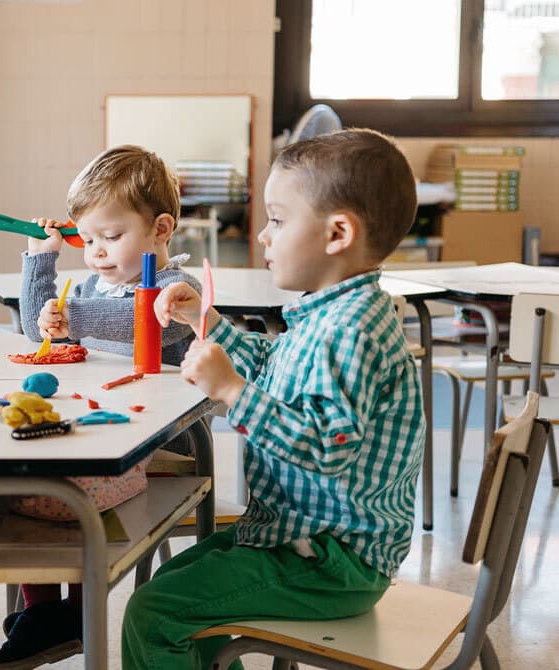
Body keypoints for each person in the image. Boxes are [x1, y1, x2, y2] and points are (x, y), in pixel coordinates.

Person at [128, 128, 425, 669]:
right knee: (173, 582)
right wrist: (207, 322)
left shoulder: (349, 331)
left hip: (330, 560)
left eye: (279, 220)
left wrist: (231, 392)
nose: (263, 236)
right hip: (304, 538)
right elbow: (273, 365)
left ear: (337, 233)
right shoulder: (333, 311)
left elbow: (326, 447)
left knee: (156, 612)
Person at [0, 145, 201, 669]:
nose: (98, 252)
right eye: (89, 238)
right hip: (94, 422)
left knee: (55, 496)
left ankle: (75, 614)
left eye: (112, 236)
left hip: (151, 439)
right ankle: (45, 615)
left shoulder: (175, 288)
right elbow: (38, 321)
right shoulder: (86, 285)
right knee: (26, 475)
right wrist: (43, 257)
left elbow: (141, 321)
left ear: (161, 229)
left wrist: (70, 314)